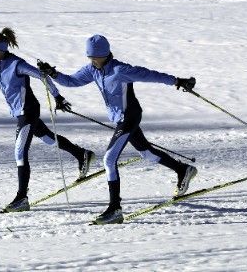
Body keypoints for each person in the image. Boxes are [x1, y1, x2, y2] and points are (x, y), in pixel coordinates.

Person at [38, 34, 198, 225]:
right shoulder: (92, 70)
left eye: (96, 57)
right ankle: (183, 169)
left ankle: (115, 209)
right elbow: (72, 81)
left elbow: (150, 75)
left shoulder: (120, 70)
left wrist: (177, 81)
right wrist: (53, 73)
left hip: (129, 116)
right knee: (146, 153)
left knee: (109, 158)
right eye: (90, 57)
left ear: (106, 54)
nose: (93, 60)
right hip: (120, 119)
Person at [0, 28, 94, 213]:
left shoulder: (17, 64)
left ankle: (22, 198)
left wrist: (58, 97)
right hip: (20, 112)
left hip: (28, 111)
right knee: (48, 139)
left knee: (19, 152)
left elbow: (42, 76)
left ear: (1, 49)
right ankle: (82, 154)